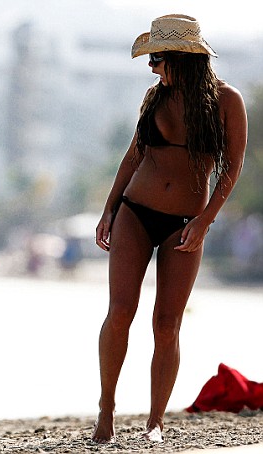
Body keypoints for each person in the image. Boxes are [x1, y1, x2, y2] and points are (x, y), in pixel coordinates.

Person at [93, 14, 247, 443]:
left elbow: (232, 167)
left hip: (185, 224)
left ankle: (155, 420)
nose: (151, 66)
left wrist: (205, 220)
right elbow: (133, 157)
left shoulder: (227, 101)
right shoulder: (154, 97)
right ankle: (106, 408)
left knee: (167, 323)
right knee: (120, 312)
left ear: (182, 57)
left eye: (156, 58)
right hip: (135, 213)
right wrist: (108, 209)